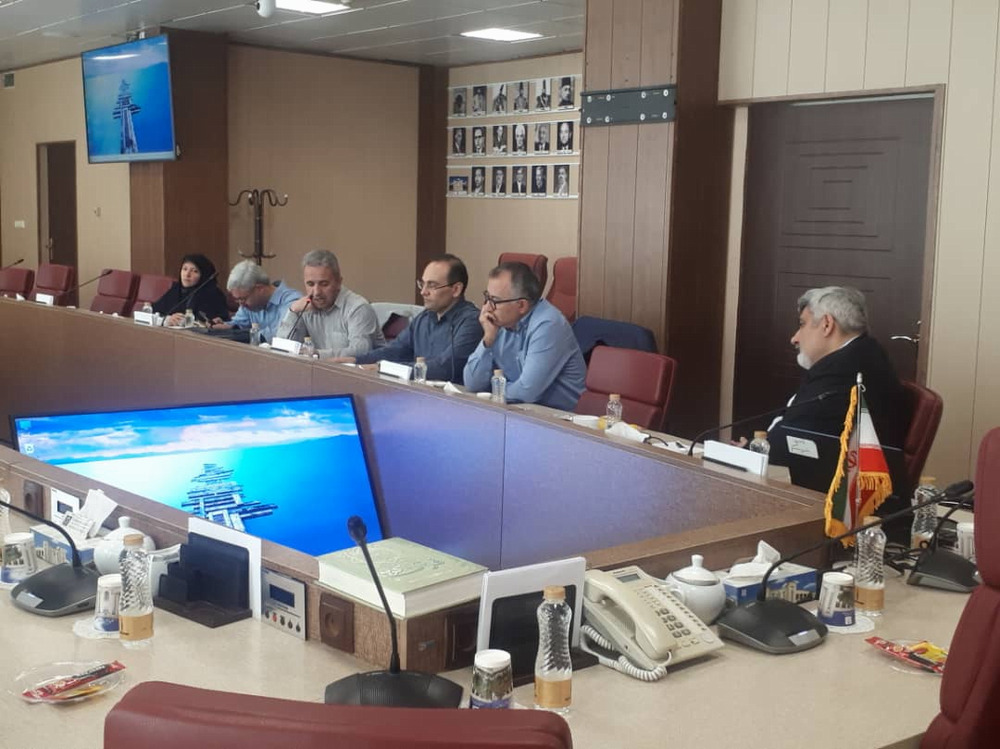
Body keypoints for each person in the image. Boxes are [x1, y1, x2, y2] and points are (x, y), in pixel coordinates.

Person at [767, 287, 908, 479]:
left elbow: (790, 438)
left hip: (838, 486)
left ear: (827, 324)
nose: (794, 338)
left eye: (802, 324)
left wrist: (753, 448)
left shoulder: (842, 372)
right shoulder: (864, 353)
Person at [338, 255, 482, 383]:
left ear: (456, 289)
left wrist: (385, 368)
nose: (423, 292)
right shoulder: (424, 318)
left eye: (432, 285)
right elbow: (395, 351)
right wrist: (356, 360)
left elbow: (444, 368)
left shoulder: (472, 321)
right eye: (422, 284)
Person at [464, 262, 586, 410]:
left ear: (521, 305)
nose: (487, 308)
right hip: (518, 410)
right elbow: (472, 384)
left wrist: (491, 391)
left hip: (561, 418)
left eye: (495, 301)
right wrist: (488, 340)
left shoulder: (548, 324)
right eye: (487, 298)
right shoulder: (498, 324)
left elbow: (526, 392)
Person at [274, 249, 384, 357]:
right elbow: (281, 351)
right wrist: (293, 311)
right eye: (310, 284)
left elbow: (360, 352)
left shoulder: (358, 308)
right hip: (319, 368)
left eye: (324, 284)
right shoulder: (305, 307)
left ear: (338, 282)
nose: (316, 292)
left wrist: (317, 354)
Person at [210, 260, 301, 343]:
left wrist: (250, 334)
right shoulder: (248, 305)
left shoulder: (292, 301)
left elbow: (282, 334)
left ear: (260, 289)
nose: (241, 304)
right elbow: (239, 323)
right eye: (238, 300)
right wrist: (227, 326)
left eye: (243, 299)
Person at [152, 253, 230, 327]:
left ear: (204, 275)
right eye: (184, 269)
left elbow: (213, 321)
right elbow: (155, 311)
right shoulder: (176, 289)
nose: (187, 274)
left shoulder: (213, 295)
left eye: (194, 271)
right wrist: (167, 319)